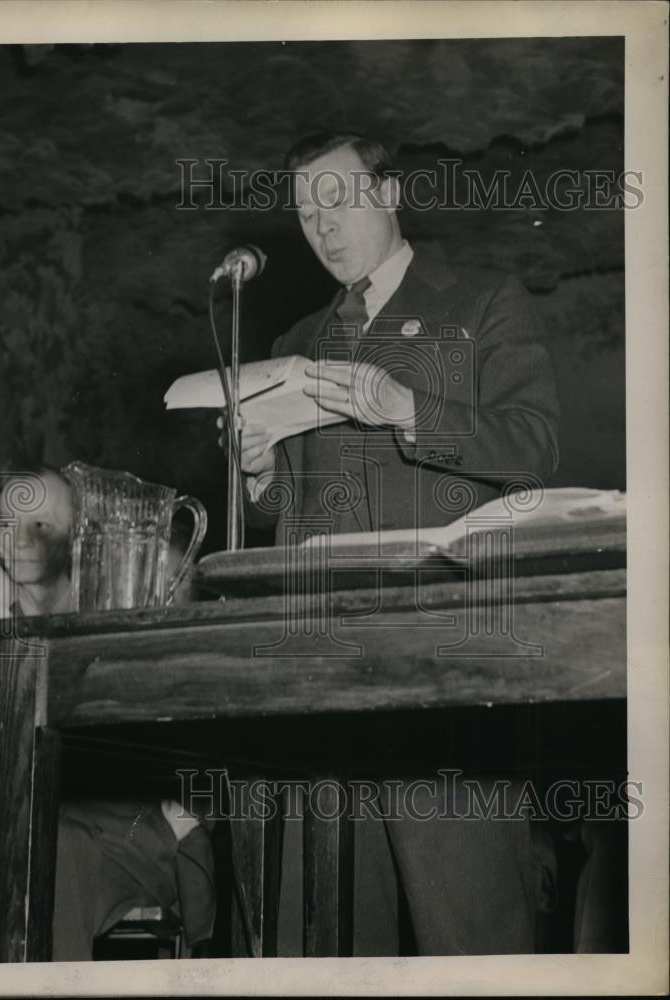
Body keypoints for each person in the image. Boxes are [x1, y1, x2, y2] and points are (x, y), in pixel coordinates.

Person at [218, 130, 561, 955]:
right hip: (318, 668)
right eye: (306, 214)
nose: (321, 227)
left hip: (446, 660)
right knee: (323, 931)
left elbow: (534, 445)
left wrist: (413, 411)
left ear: (390, 192)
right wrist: (260, 475)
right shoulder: (290, 345)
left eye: (337, 200)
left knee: (472, 927)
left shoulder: (482, 300)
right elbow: (279, 514)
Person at [0, 465, 215, 960]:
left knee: (53, 848)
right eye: (9, 524)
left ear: (77, 538)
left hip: (138, 829)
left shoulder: (111, 609)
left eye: (42, 525)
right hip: (36, 829)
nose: (22, 539)